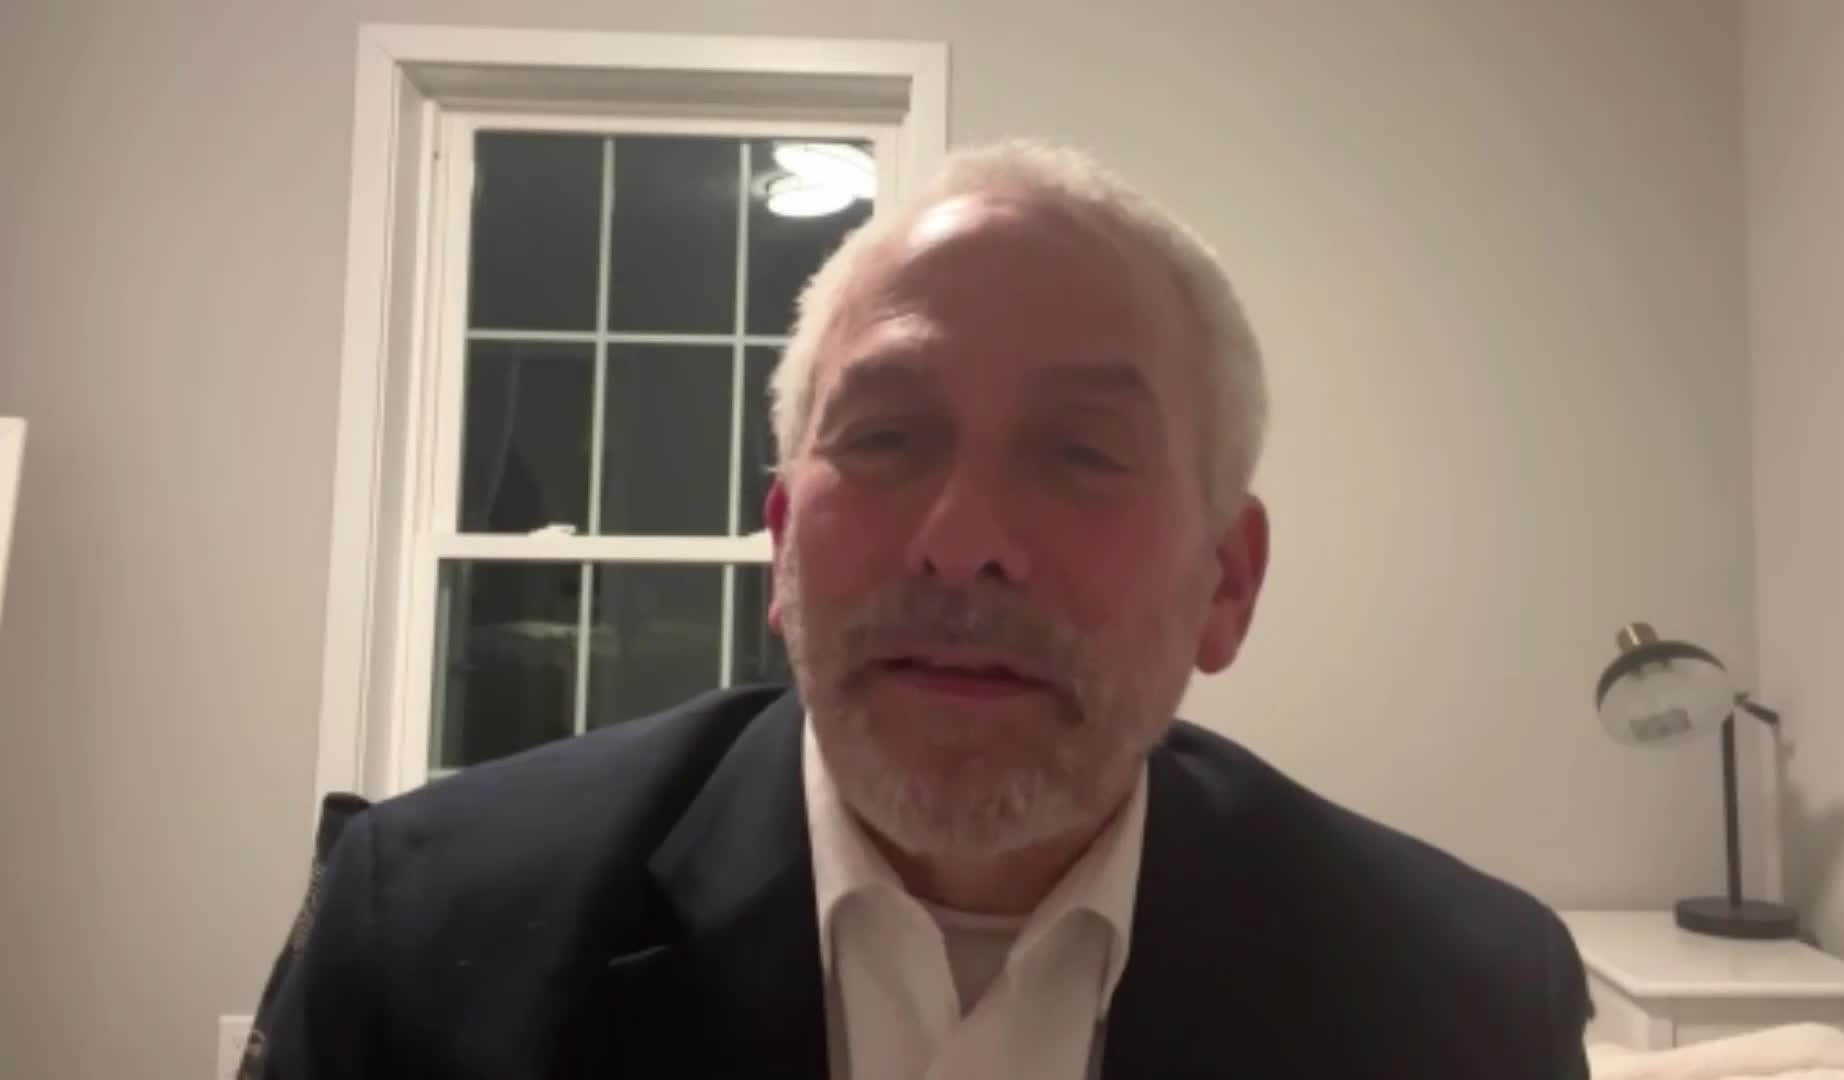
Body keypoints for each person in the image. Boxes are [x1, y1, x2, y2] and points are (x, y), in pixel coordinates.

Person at [260, 140, 1591, 1079]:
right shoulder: (428, 938)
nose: (963, 549)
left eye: (1078, 453)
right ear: (783, 552)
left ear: (1225, 585)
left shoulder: (1461, 1003)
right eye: (889, 438)